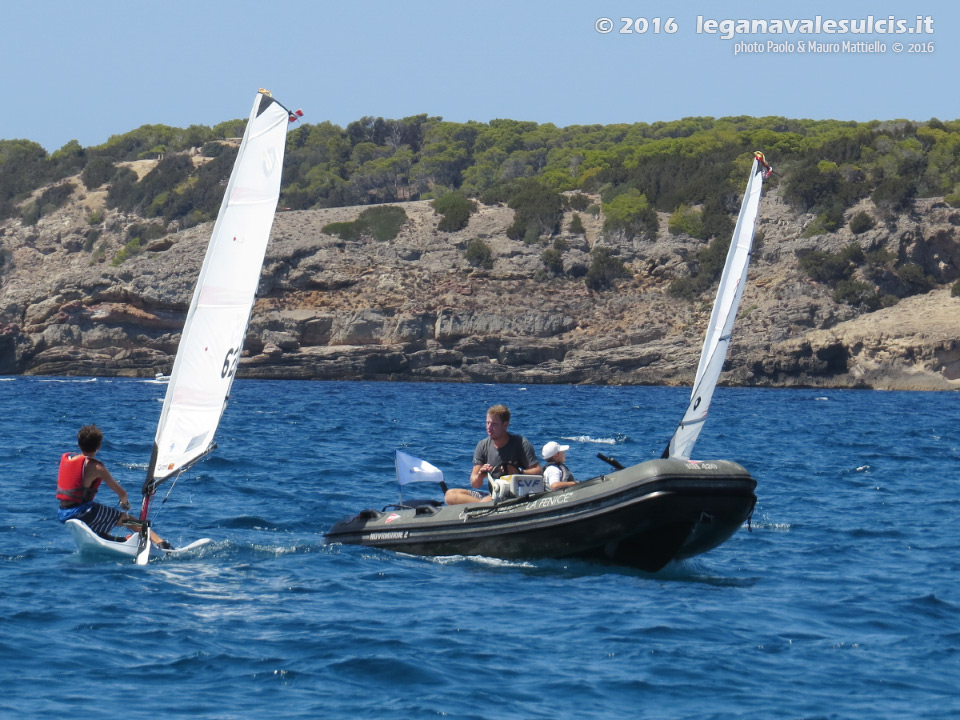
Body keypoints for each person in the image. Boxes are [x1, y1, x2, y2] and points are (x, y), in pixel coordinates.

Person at [57, 424, 171, 548]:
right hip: (82, 512)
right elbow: (122, 493)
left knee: (102, 519)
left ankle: (119, 540)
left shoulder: (69, 458)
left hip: (63, 512)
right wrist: (125, 503)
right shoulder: (97, 468)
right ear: (99, 446)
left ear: (79, 444)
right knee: (128, 520)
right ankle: (161, 543)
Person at [444, 404, 542, 505]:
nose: (489, 428)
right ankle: (484, 505)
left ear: (505, 425)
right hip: (492, 493)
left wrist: (518, 472)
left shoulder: (521, 444)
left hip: (513, 494)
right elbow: (475, 484)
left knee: (487, 500)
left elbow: (538, 471)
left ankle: (484, 505)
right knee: (450, 495)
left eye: (494, 424)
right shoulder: (482, 445)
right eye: (487, 423)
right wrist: (481, 475)